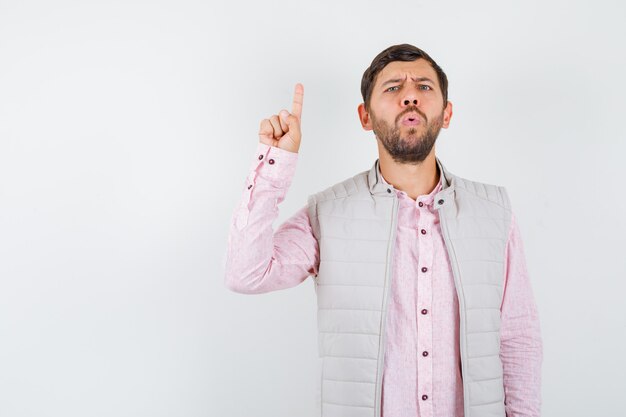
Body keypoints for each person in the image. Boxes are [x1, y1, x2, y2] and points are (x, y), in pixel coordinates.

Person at [224, 43, 542, 417]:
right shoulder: (328, 213)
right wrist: (275, 162)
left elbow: (518, 338)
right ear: (366, 117)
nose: (410, 96)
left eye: (424, 87)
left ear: (446, 113)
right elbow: (246, 273)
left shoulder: (493, 211)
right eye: (393, 88)